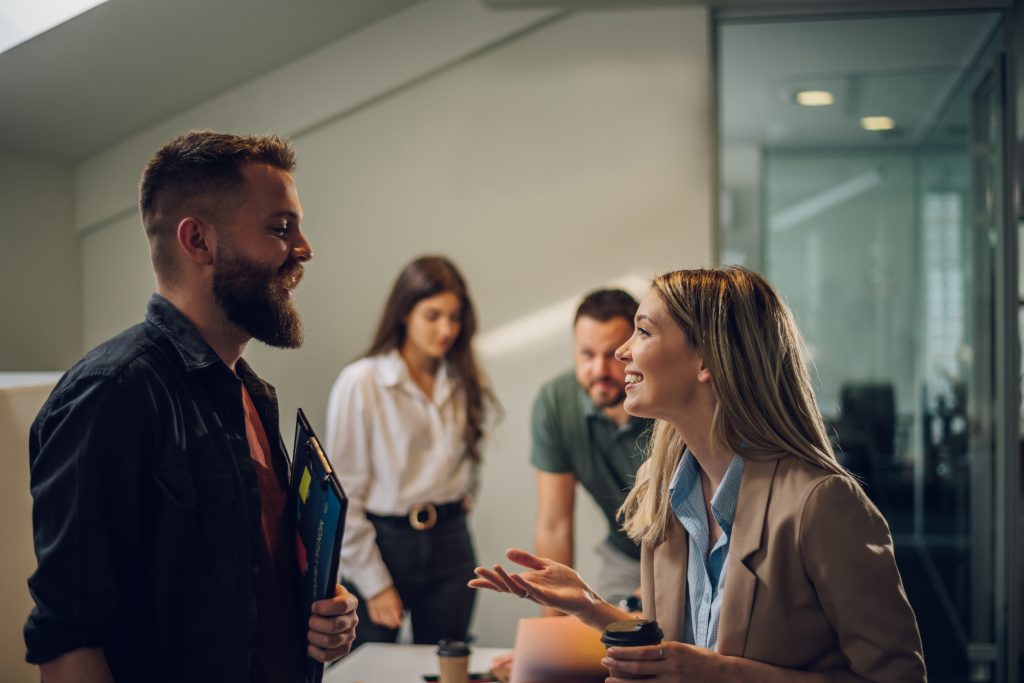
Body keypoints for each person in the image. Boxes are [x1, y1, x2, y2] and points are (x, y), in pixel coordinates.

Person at [471, 267, 926, 682]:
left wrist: (725, 676)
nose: (621, 351)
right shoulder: (662, 490)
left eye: (643, 331)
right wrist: (591, 607)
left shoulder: (823, 503)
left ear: (706, 360)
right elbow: (676, 652)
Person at [23, 131, 358, 683]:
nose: (304, 248)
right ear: (198, 241)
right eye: (280, 228)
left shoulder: (250, 392)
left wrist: (318, 609)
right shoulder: (111, 395)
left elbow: (243, 576)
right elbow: (69, 641)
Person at [326, 255, 494, 647]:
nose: (446, 330)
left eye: (454, 318)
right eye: (433, 316)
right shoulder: (361, 382)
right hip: (386, 542)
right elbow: (343, 494)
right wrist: (374, 583)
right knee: (370, 665)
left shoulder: (461, 378)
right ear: (404, 313)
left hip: (451, 542)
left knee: (448, 662)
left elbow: (468, 459)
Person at [531, 289, 652, 614]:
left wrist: (650, 594)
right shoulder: (556, 402)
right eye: (586, 354)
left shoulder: (664, 398)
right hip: (623, 556)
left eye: (612, 354)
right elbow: (554, 524)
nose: (599, 369)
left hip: (685, 552)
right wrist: (552, 627)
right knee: (594, 650)